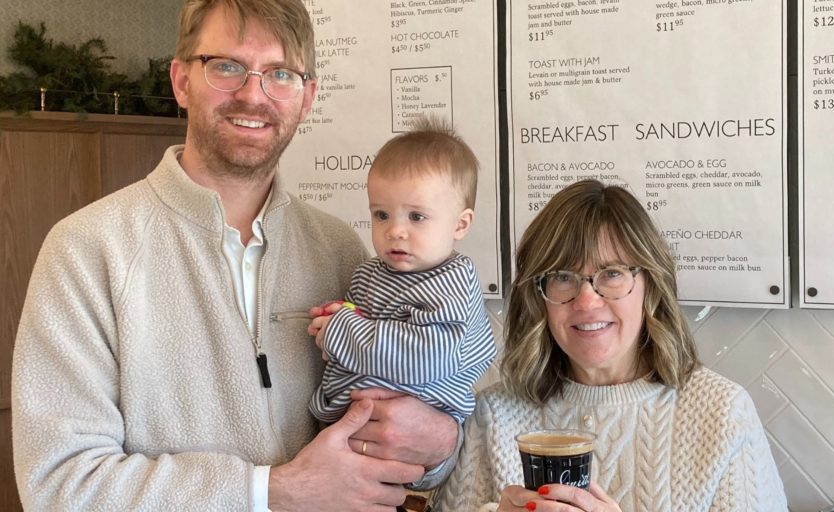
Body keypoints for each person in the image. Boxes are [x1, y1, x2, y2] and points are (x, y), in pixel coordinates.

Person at [11, 1, 458, 511]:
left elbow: (401, 424)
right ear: (181, 81)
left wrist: (441, 441)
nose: (253, 94)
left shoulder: (340, 249)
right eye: (226, 67)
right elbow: (58, 484)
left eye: (280, 74)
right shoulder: (87, 250)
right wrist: (271, 491)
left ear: (306, 97)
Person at [433, 180, 787, 512]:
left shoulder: (721, 413)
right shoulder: (492, 416)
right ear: (539, 296)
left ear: (650, 282)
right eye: (562, 277)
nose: (587, 301)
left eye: (612, 273)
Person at [308, 118, 496, 425]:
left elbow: (427, 358)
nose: (395, 230)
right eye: (381, 214)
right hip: (351, 418)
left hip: (412, 425)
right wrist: (334, 318)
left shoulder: (452, 282)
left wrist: (341, 332)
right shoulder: (368, 274)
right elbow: (357, 329)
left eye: (416, 217)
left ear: (460, 225)